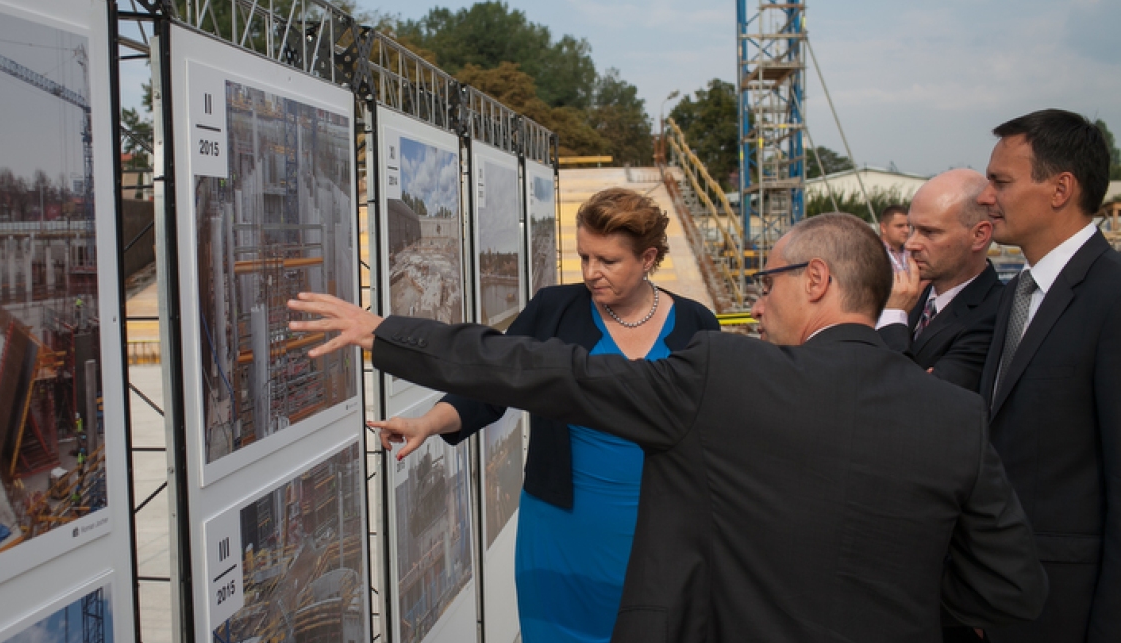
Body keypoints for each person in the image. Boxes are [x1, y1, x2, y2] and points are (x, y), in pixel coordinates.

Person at [290, 212, 1047, 643]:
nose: (759, 298)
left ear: (815, 280)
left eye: (769, 280)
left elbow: (547, 372)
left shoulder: (727, 370)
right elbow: (1014, 587)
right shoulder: (954, 414)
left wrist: (385, 330)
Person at [373, 187, 719, 643]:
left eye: (608, 261)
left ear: (648, 257)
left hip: (662, 530)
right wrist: (427, 423)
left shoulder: (697, 325)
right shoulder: (553, 310)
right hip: (561, 530)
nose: (592, 273)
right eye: (584, 257)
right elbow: (489, 384)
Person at [975, 109, 1121, 642]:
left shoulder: (1111, 297)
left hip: (1070, 611)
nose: (986, 197)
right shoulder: (1017, 293)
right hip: (1006, 602)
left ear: (1060, 188)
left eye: (1001, 182)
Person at [877, 169, 1003, 392]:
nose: (911, 244)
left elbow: (919, 397)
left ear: (979, 236)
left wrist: (893, 317)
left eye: (929, 232)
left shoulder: (997, 313)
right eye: (913, 229)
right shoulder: (914, 296)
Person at [880, 203, 912, 271]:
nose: (906, 230)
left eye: (908, 226)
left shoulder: (912, 252)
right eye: (900, 226)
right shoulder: (875, 253)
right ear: (883, 228)